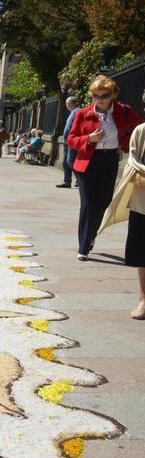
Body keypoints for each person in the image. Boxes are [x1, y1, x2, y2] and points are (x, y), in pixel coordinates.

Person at [68, 75, 144, 261]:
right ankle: (84, 247)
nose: (100, 99)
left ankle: (91, 235)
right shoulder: (82, 113)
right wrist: (88, 139)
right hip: (86, 162)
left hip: (109, 161)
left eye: (104, 95)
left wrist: (126, 143)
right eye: (96, 95)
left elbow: (140, 127)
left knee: (103, 204)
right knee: (88, 205)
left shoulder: (123, 111)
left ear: (113, 94)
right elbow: (71, 139)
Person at [99, 88, 145, 319]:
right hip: (143, 201)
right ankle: (144, 299)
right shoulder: (141, 131)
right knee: (142, 253)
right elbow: (133, 161)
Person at [57, 97, 80, 188]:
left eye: (67, 104)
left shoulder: (77, 111)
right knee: (65, 162)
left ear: (69, 104)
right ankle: (67, 181)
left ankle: (80, 179)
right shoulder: (72, 112)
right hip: (67, 141)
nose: (66, 105)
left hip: (72, 141)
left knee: (70, 161)